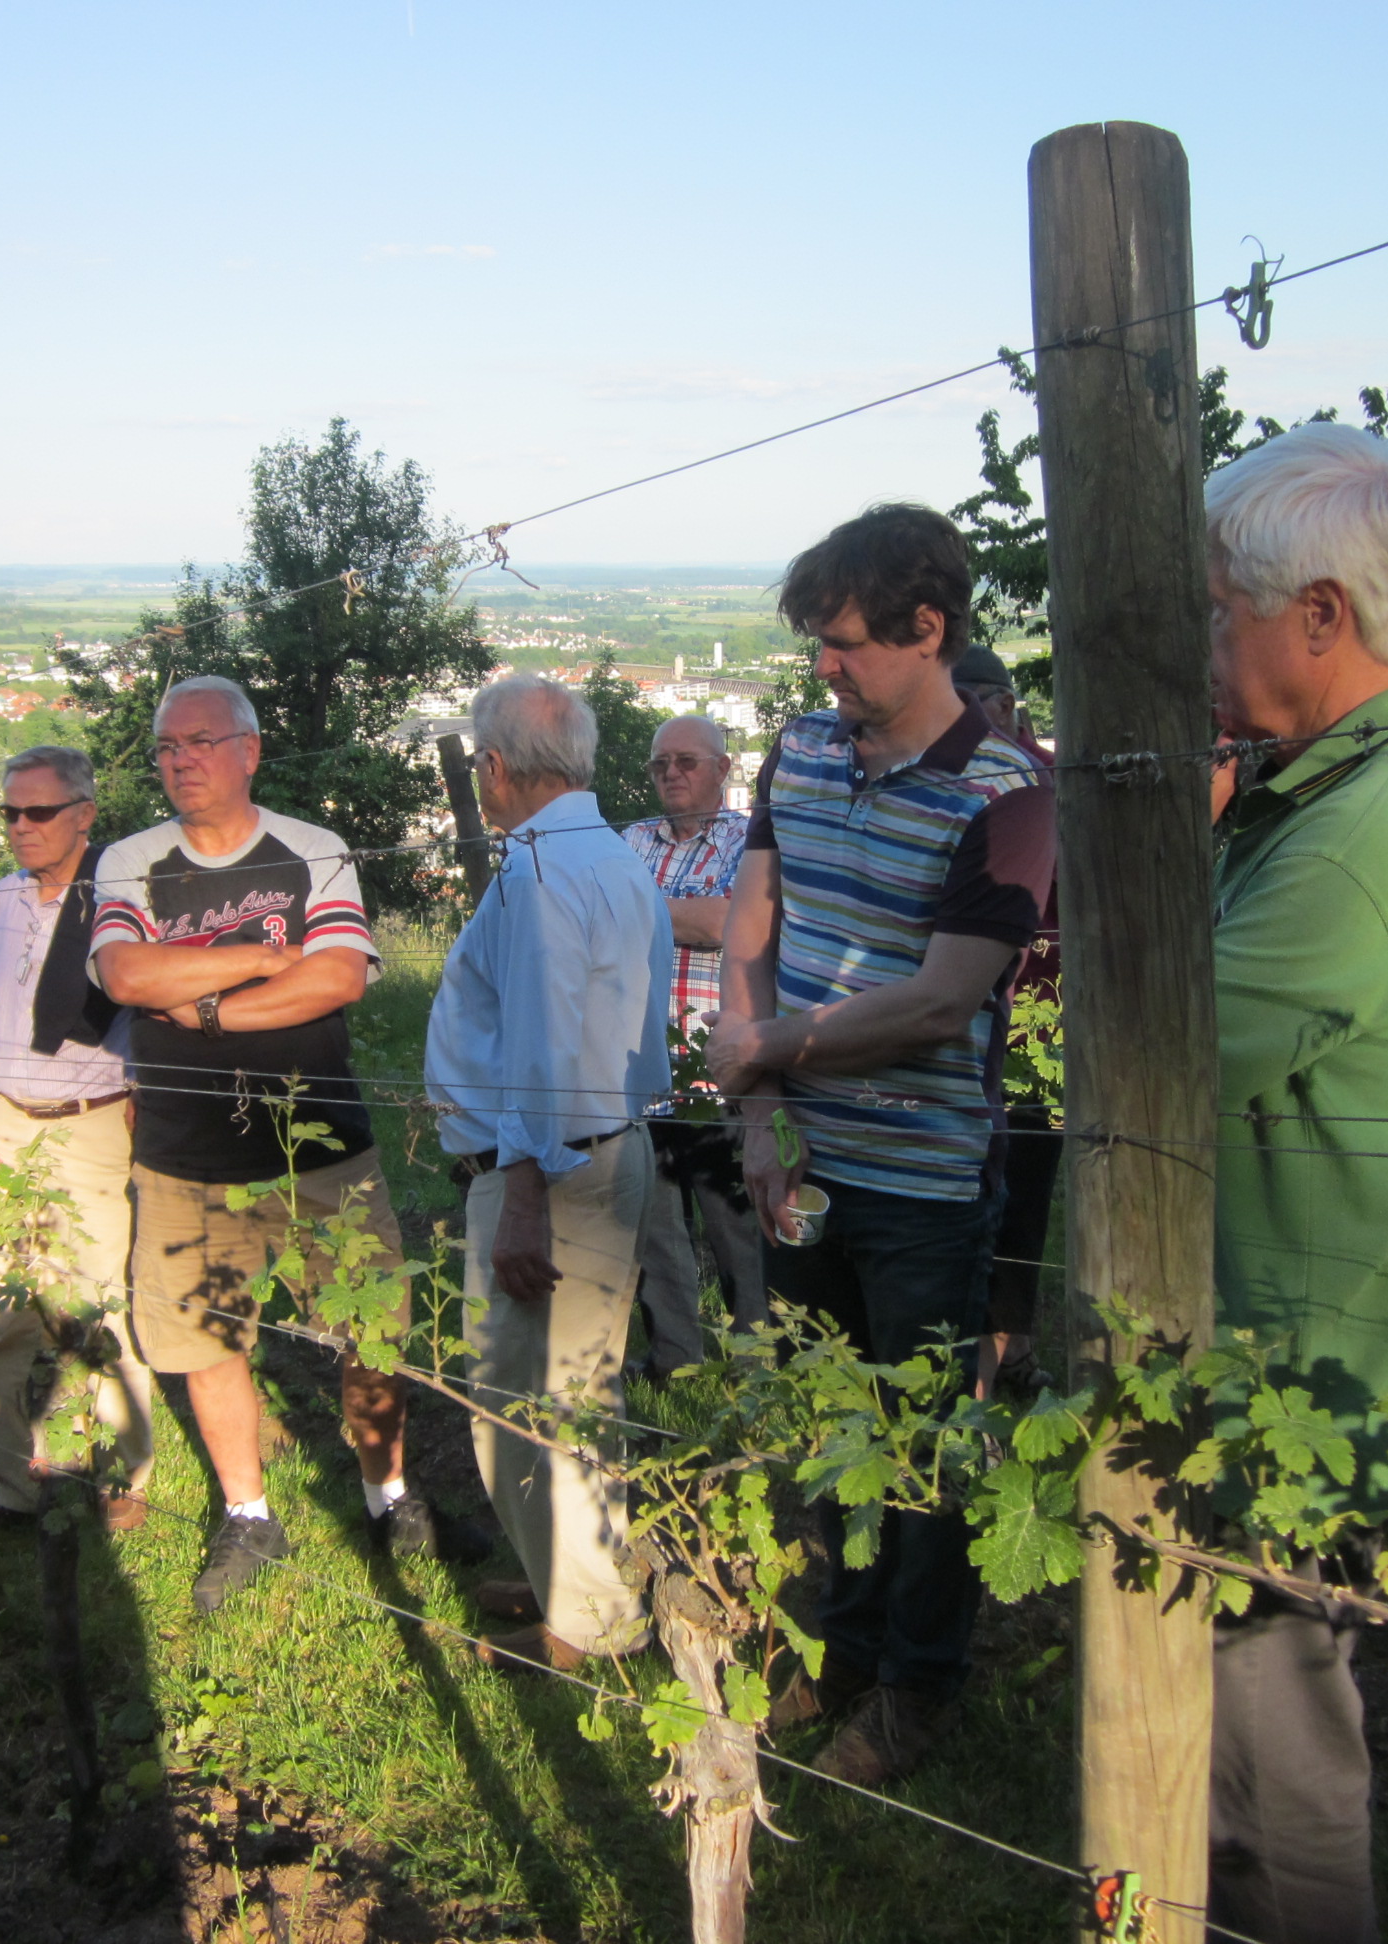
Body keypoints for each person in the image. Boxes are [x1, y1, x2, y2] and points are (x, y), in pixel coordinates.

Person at [1203, 421, 1388, 1943]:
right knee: (1228, 1749)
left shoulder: (1354, 838)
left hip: (1296, 1381)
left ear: (1319, 614)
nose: (1203, 643)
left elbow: (1144, 1064)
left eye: (1218, 611)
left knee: (1276, 1790)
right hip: (1322, 1352)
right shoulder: (1359, 787)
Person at [707, 504, 1055, 1786]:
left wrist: (764, 1051)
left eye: (846, 643)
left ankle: (918, 1684)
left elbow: (942, 1001)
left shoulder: (1006, 796)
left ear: (929, 629)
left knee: (924, 1442)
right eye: (816, 641)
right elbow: (752, 930)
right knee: (824, 1418)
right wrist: (759, 1118)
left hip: (923, 1184)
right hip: (799, 1164)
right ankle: (842, 1649)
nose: (824, 667)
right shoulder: (800, 751)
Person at [90, 676, 477, 1616]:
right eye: (166, 747)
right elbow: (125, 973)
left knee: (371, 1327)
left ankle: (388, 1492)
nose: (180, 761)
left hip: (321, 1146)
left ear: (250, 751)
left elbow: (337, 977)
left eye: (200, 742)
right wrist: (267, 958)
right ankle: (249, 1513)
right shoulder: (131, 860)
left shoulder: (312, 849)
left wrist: (203, 1008)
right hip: (184, 1152)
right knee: (206, 1338)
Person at [425, 674, 673, 1673]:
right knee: (576, 1383)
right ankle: (567, 1572)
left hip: (548, 1166)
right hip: (608, 1149)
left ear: (493, 768)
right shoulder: (616, 856)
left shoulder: (534, 872)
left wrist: (522, 1195)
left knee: (529, 1392)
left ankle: (589, 1621)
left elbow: (539, 1042)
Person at [0, 746, 155, 1538]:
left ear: (84, 814)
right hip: (8, 1124)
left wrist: (141, 1111)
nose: (21, 827)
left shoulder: (122, 897)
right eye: (10, 813)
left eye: (38, 812)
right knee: (5, 1314)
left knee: (100, 1304)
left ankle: (122, 1476)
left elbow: (151, 1014)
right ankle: (9, 1490)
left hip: (92, 1121)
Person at [623, 712, 764, 1379]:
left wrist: (636, 910)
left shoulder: (749, 840)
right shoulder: (632, 838)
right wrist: (687, 915)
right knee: (655, 1228)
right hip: (640, 1066)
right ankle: (675, 1358)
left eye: (686, 761)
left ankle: (756, 1364)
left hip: (717, 1068)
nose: (671, 773)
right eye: (660, 764)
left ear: (723, 769)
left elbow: (730, 924)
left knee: (735, 1224)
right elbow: (593, 919)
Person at [949, 643, 1062, 1396]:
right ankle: (1001, 1358)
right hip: (977, 1026)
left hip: (1034, 1028)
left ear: (1004, 705)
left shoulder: (1041, 781)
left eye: (969, 706)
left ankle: (995, 1373)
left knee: (1015, 1199)